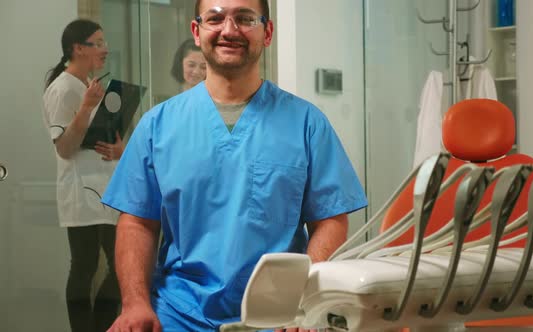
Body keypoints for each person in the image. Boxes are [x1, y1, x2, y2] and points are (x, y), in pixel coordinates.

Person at [102, 0, 368, 331]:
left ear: (267, 32)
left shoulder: (306, 124)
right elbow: (137, 223)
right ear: (197, 32)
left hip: (278, 317)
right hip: (177, 313)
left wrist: (302, 301)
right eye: (216, 19)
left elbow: (329, 221)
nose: (230, 30)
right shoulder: (158, 125)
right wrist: (135, 304)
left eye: (244, 18)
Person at [42, 19, 123, 332]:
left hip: (104, 187)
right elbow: (64, 147)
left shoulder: (86, 86)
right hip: (81, 190)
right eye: (98, 43)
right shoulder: (62, 89)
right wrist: (85, 108)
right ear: (78, 48)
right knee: (86, 266)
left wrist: (117, 146)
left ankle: (100, 326)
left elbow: (94, 138)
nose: (106, 49)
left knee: (118, 266)